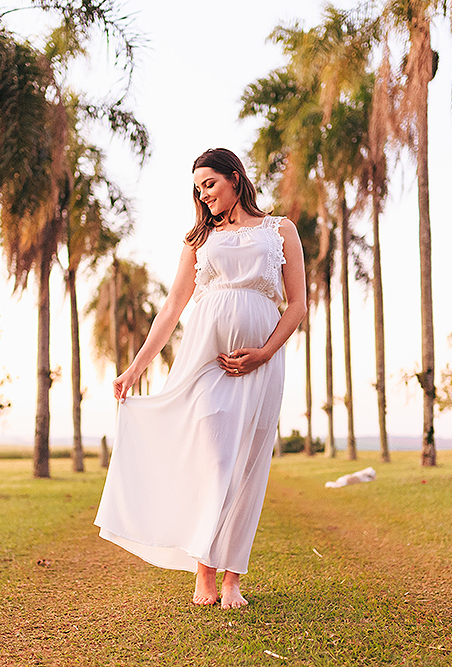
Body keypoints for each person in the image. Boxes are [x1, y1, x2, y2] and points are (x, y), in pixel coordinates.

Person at [93, 147, 307, 609]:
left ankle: (231, 578)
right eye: (198, 187)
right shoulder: (199, 239)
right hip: (204, 362)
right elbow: (171, 309)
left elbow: (296, 305)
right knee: (212, 460)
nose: (203, 194)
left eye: (209, 183)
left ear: (235, 177)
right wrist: (136, 368)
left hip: (261, 366)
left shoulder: (280, 230)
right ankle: (203, 572)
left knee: (247, 466)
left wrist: (264, 353)